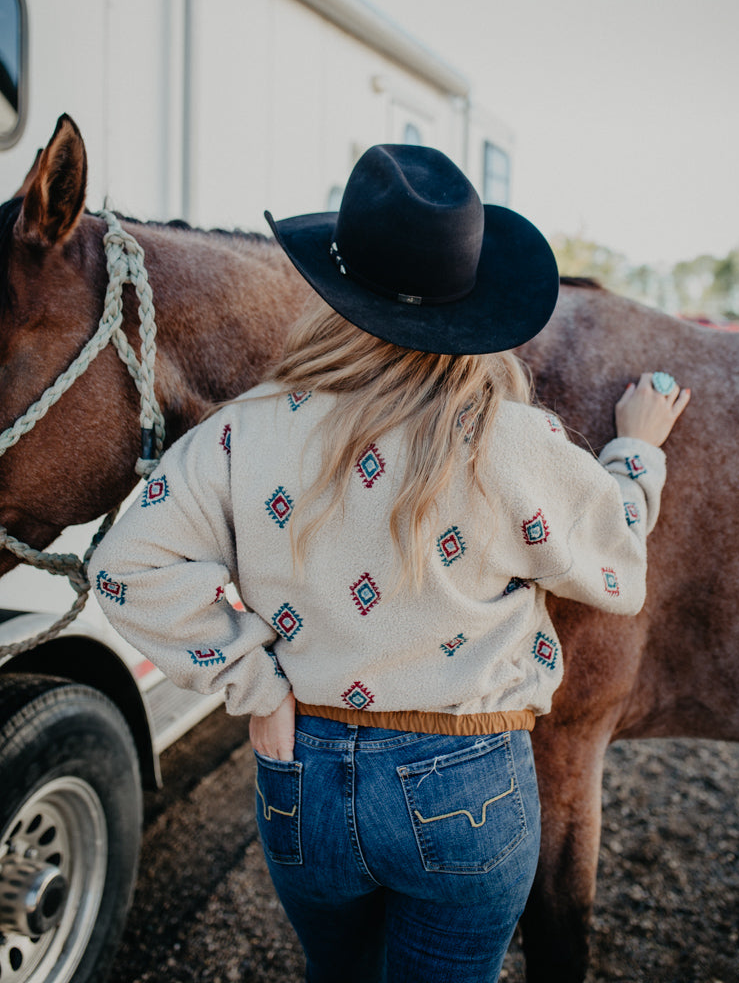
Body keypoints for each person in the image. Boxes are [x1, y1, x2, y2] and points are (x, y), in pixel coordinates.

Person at [90, 144, 690, 983]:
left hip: (299, 767)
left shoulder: (243, 429)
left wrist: (257, 688)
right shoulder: (516, 443)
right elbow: (617, 568)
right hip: (468, 780)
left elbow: (123, 571)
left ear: (333, 291)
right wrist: (636, 452)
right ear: (474, 302)